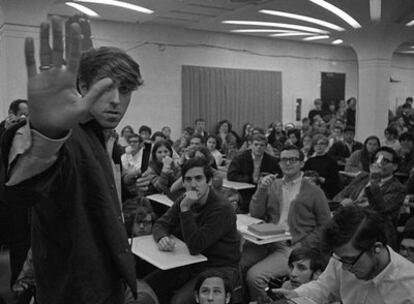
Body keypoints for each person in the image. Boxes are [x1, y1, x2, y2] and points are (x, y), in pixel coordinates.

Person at [0, 17, 143, 302]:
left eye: (124, 90)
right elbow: (22, 188)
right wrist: (45, 135)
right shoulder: (68, 135)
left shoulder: (105, 137)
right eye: (105, 88)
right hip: (74, 289)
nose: (116, 100)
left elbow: (97, 197)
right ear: (83, 86)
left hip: (105, 280)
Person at [145, 157, 240, 304]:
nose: (193, 184)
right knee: (147, 287)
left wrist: (185, 209)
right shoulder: (185, 198)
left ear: (208, 181)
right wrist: (162, 237)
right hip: (190, 263)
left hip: (219, 266)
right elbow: (161, 224)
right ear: (183, 182)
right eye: (188, 180)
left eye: (198, 178)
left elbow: (195, 246)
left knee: (179, 301)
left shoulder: (222, 209)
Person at [242, 145, 330, 301]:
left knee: (255, 277)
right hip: (266, 239)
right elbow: (256, 213)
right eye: (283, 160)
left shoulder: (314, 191)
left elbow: (326, 225)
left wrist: (304, 244)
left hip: (292, 245)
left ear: (302, 163)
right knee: (238, 264)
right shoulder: (273, 185)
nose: (287, 163)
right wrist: (261, 189)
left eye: (293, 159)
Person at [274, 206, 414, 304]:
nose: (345, 268)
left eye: (351, 260)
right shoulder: (343, 256)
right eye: (341, 259)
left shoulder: (408, 287)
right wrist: (297, 295)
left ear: (376, 248)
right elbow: (325, 287)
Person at [304, 135, 339, 199]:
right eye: (316, 144)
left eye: (321, 143)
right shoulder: (309, 161)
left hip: (326, 191)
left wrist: (322, 180)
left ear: (326, 145)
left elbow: (335, 181)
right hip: (309, 188)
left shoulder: (332, 162)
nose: (318, 146)